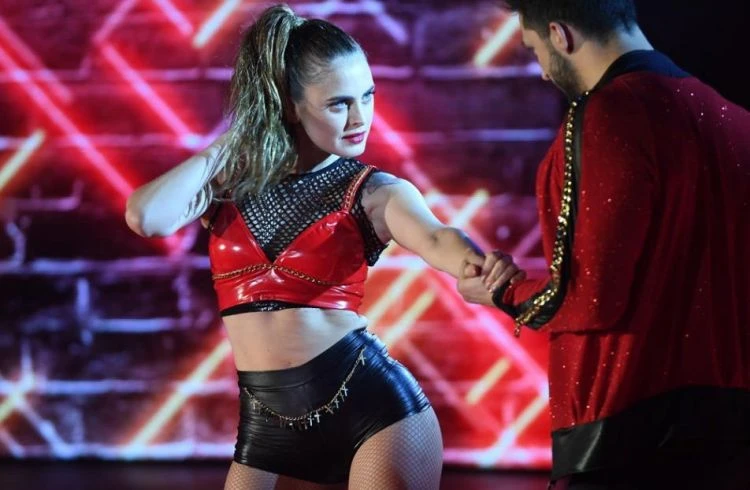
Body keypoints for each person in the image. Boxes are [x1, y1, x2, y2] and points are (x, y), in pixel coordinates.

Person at [125, 4, 521, 490]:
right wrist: (232, 142)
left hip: (374, 413)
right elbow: (146, 217)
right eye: (338, 104)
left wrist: (475, 265)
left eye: (367, 97)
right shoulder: (230, 185)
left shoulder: (374, 191)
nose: (360, 118)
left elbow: (437, 237)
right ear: (290, 106)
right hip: (267, 429)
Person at [457, 1, 750, 489]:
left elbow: (589, 298)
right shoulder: (734, 120)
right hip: (732, 435)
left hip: (624, 436)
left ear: (560, 35)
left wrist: (503, 293)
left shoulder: (608, 114)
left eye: (534, 50)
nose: (543, 72)